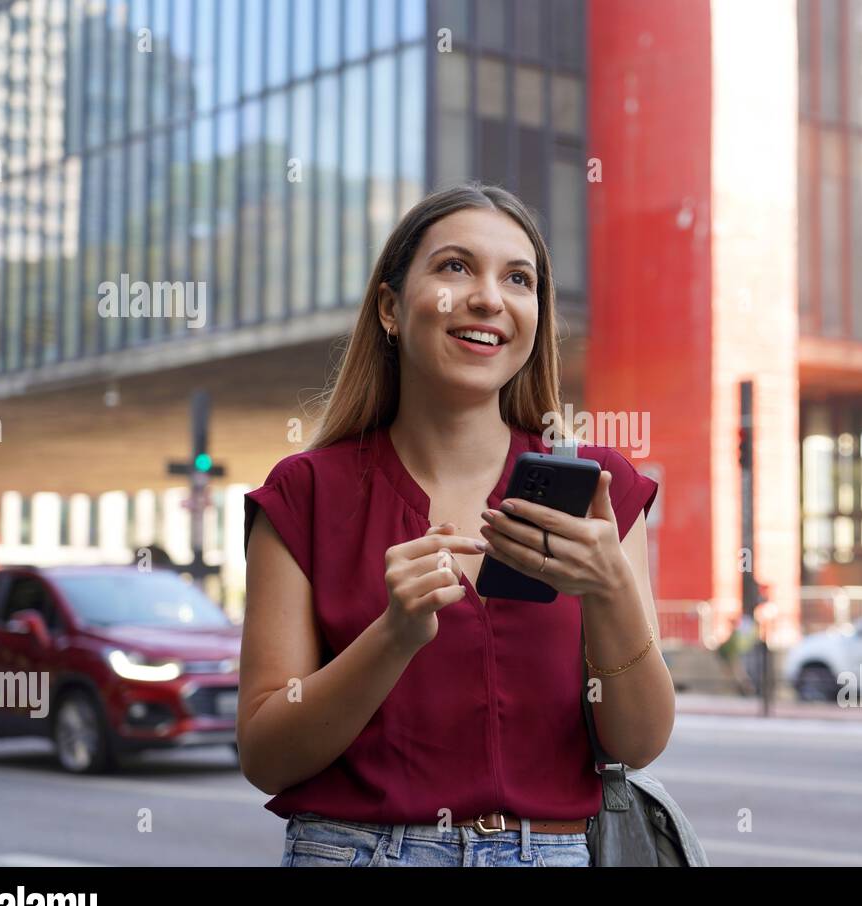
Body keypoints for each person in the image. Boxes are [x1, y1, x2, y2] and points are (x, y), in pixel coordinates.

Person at [239, 182, 674, 867]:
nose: (488, 298)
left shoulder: (599, 487)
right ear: (389, 307)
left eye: (518, 278)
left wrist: (610, 589)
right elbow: (266, 755)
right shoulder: (306, 492)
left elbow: (638, 742)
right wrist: (393, 637)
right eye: (454, 267)